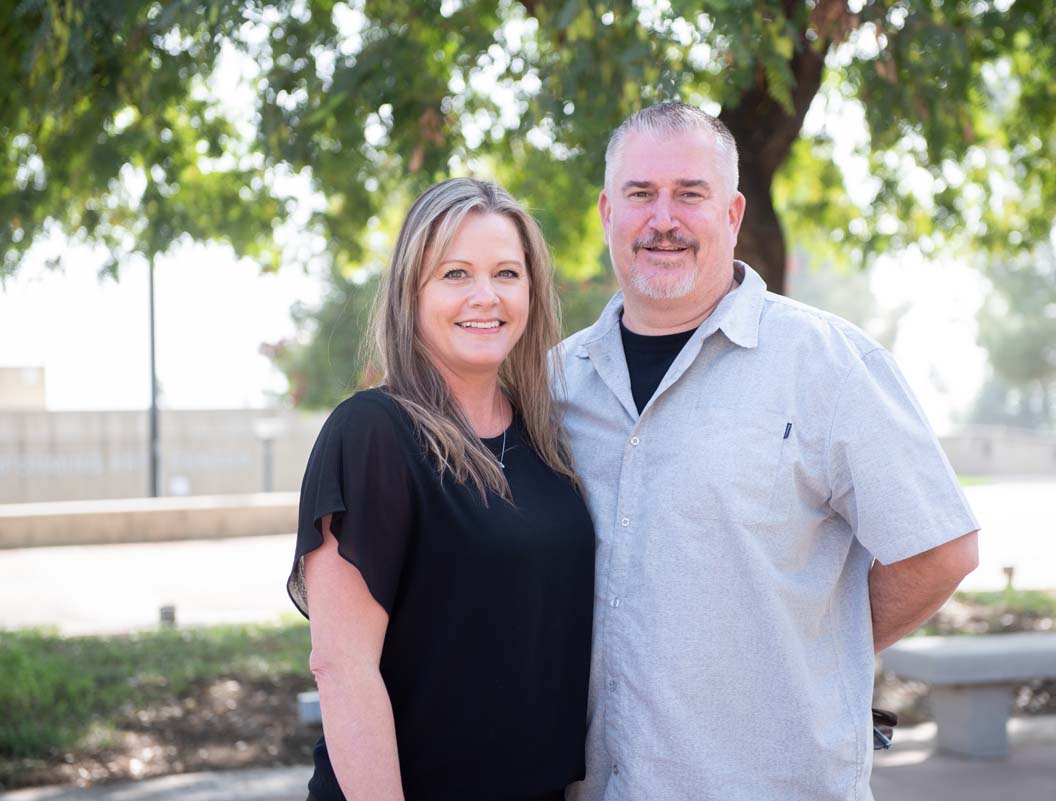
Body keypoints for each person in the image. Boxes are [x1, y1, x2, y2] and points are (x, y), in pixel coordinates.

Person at [557, 103, 980, 801]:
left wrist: (812, 643)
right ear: (607, 211)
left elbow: (939, 549)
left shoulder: (830, 365)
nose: (664, 218)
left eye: (690, 194)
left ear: (731, 213)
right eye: (641, 194)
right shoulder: (554, 383)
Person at [287, 178, 595, 801]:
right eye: (456, 274)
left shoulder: (546, 437)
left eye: (507, 273)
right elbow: (342, 669)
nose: (485, 296)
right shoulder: (373, 433)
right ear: (412, 293)